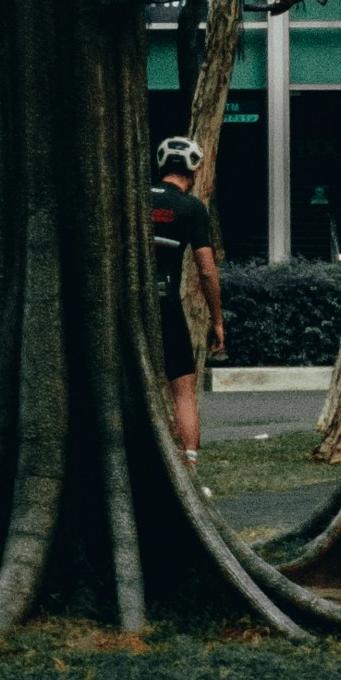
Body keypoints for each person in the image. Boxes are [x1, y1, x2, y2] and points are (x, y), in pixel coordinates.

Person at [150, 133, 226, 473]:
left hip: (127, 308)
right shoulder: (192, 209)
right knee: (183, 388)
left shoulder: (135, 198)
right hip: (165, 304)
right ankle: (189, 470)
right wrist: (218, 320)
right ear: (194, 170)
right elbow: (207, 271)